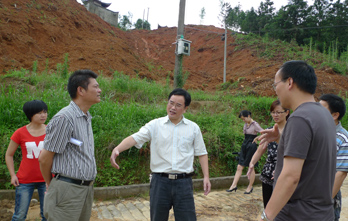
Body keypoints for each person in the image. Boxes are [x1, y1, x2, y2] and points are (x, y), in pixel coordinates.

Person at [110, 88, 211, 221]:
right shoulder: (155, 125)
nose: (173, 107)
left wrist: (206, 177)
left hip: (184, 183)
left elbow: (202, 153)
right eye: (171, 103)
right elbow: (135, 138)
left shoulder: (193, 128)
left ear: (185, 108)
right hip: (160, 183)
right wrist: (117, 148)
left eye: (178, 105)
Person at [256, 60, 337, 221]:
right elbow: (312, 155)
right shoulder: (323, 114)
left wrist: (267, 216)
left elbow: (290, 177)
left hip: (297, 214)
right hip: (321, 213)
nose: (276, 91)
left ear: (290, 82)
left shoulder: (299, 118)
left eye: (276, 84)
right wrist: (282, 139)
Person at [38, 69, 101, 221]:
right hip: (67, 189)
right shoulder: (65, 118)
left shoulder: (85, 117)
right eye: (96, 86)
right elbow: (44, 158)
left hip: (85, 189)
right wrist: (51, 184)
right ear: (81, 90)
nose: (99, 90)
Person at [5, 100, 48, 221]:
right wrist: (13, 175)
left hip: (47, 179)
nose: (43, 115)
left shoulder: (51, 130)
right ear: (30, 114)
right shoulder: (20, 133)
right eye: (39, 113)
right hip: (24, 180)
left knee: (48, 215)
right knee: (19, 215)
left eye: (45, 112)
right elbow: (9, 155)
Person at [319, 94, 348, 221]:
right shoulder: (315, 131)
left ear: (335, 115)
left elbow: (340, 174)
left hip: (326, 196)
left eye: (321, 109)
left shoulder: (344, 139)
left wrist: (324, 203)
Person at [247, 100, 289, 207]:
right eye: (273, 112)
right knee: (268, 206)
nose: (275, 115)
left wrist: (282, 168)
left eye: (278, 112)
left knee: (283, 208)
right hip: (268, 173)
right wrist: (251, 164)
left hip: (286, 173)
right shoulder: (270, 131)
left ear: (287, 112)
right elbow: (260, 150)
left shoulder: (293, 131)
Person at [227, 110, 263, 194]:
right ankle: (233, 185)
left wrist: (257, 138)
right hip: (245, 145)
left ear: (249, 116)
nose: (243, 120)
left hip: (251, 146)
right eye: (242, 119)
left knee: (251, 166)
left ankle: (250, 186)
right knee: (239, 166)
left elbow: (263, 132)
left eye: (244, 118)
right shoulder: (246, 124)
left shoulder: (255, 124)